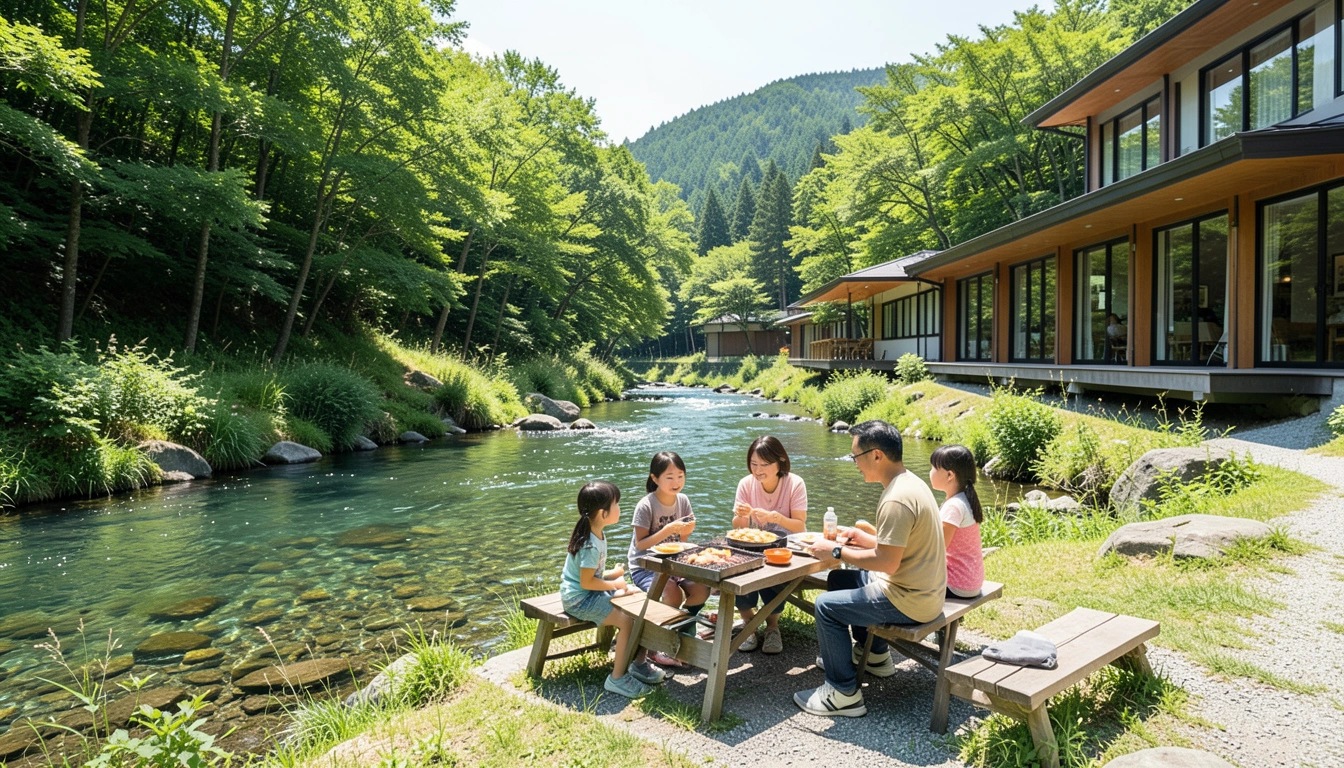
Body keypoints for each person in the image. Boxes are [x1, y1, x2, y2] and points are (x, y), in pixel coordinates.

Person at [795, 420, 946, 718]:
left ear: (877, 455)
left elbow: (887, 563)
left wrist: (836, 551)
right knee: (840, 579)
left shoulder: (896, 499)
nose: (854, 464)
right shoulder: (911, 483)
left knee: (825, 607)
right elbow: (900, 548)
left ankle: (843, 693)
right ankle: (875, 656)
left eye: (856, 457)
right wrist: (865, 540)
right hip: (926, 591)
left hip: (910, 599)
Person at [560, 480, 665, 698]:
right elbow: (587, 582)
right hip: (580, 600)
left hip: (588, 593)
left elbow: (592, 574)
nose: (619, 508)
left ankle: (638, 663)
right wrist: (615, 584)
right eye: (616, 504)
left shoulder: (596, 533)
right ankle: (617, 678)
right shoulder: (590, 544)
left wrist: (612, 574)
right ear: (603, 513)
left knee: (638, 599)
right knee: (627, 621)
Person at [628, 451, 709, 667]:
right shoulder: (646, 505)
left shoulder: (683, 500)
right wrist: (667, 530)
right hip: (645, 565)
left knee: (701, 589)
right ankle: (656, 648)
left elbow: (682, 541)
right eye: (670, 477)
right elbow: (641, 544)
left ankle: (684, 635)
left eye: (680, 476)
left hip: (673, 563)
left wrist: (686, 531)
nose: (676, 482)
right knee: (672, 594)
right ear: (655, 478)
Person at [731, 435, 807, 654]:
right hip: (754, 546)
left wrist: (776, 518)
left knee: (774, 570)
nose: (758, 470)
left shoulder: (794, 483)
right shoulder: (746, 484)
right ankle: (749, 625)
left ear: (780, 461)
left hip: (787, 546)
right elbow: (738, 528)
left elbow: (800, 526)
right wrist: (742, 515)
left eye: (764, 464)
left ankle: (772, 627)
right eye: (754, 464)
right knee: (738, 567)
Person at [928, 444, 985, 599]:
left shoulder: (953, 506)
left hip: (956, 585)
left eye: (933, 468)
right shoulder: (964, 499)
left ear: (949, 475)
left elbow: (937, 549)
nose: (930, 472)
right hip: (969, 581)